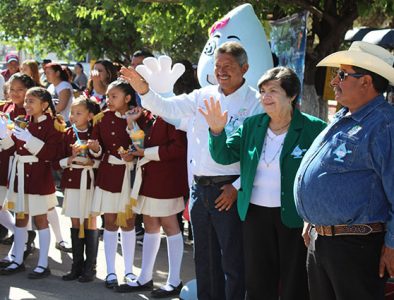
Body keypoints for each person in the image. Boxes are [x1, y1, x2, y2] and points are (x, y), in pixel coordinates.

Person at [121, 41, 262, 300]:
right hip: (200, 189)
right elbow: (168, 107)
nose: (221, 71)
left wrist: (237, 187)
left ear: (245, 68)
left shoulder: (256, 102)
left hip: (228, 190)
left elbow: (259, 152)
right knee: (205, 259)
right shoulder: (203, 95)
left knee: (231, 261)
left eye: (228, 66)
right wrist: (144, 89)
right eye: (218, 66)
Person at [200, 67, 326, 300]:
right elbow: (225, 155)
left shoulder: (314, 128)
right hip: (255, 215)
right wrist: (217, 131)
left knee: (294, 281)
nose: (265, 97)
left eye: (273, 91)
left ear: (291, 95)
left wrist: (315, 216)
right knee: (257, 281)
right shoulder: (252, 125)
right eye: (262, 91)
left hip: (295, 217)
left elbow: (322, 177)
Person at [294, 41, 394, 300]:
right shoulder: (344, 117)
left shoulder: (384, 125)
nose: (334, 82)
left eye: (342, 75)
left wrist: (392, 245)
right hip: (324, 241)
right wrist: (315, 218)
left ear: (366, 82)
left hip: (356, 248)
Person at [115, 106, 188, 298]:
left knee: (170, 226)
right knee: (150, 225)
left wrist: (144, 153)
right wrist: (131, 122)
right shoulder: (149, 114)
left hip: (166, 179)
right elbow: (140, 140)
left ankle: (174, 281)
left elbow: (178, 148)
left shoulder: (173, 112)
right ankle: (145, 277)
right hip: (148, 177)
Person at [0, 87, 64, 279]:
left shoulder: (53, 125)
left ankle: (43, 264)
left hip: (39, 177)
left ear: (44, 105)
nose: (26, 105)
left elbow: (52, 155)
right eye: (26, 101)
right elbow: (13, 149)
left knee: (40, 220)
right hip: (20, 176)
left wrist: (29, 139)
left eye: (31, 101)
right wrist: (4, 136)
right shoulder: (23, 122)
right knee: (21, 219)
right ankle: (17, 260)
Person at [88, 79, 137, 289]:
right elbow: (96, 150)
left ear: (127, 98)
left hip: (129, 177)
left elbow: (142, 144)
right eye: (107, 96)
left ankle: (128, 270)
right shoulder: (101, 118)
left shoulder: (138, 116)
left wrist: (132, 156)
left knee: (128, 223)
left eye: (113, 96)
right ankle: (110, 271)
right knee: (109, 223)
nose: (108, 100)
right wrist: (96, 149)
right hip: (108, 175)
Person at [54, 95, 100, 283]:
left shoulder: (96, 133)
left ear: (90, 115)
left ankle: (90, 267)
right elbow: (57, 161)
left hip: (90, 182)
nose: (73, 116)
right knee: (75, 223)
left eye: (78, 113)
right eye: (72, 112)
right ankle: (76, 266)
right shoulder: (66, 133)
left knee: (90, 221)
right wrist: (70, 159)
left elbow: (101, 158)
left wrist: (94, 156)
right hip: (73, 182)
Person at [0, 74, 37, 267]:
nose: (15, 93)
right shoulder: (5, 107)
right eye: (12, 89)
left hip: (18, 164)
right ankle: (22, 235)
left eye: (20, 89)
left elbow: (20, 144)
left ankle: (20, 245)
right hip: (2, 161)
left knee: (20, 208)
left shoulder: (31, 112)